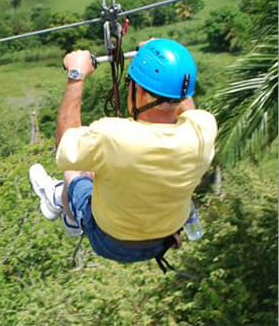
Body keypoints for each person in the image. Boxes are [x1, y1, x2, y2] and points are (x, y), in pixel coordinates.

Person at [29, 38, 217, 268]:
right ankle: (62, 200)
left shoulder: (112, 136)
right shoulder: (204, 130)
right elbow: (183, 103)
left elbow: (65, 144)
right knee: (104, 165)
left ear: (139, 92)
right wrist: (169, 68)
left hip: (111, 241)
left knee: (77, 171)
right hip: (164, 238)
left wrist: (75, 77)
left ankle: (61, 202)